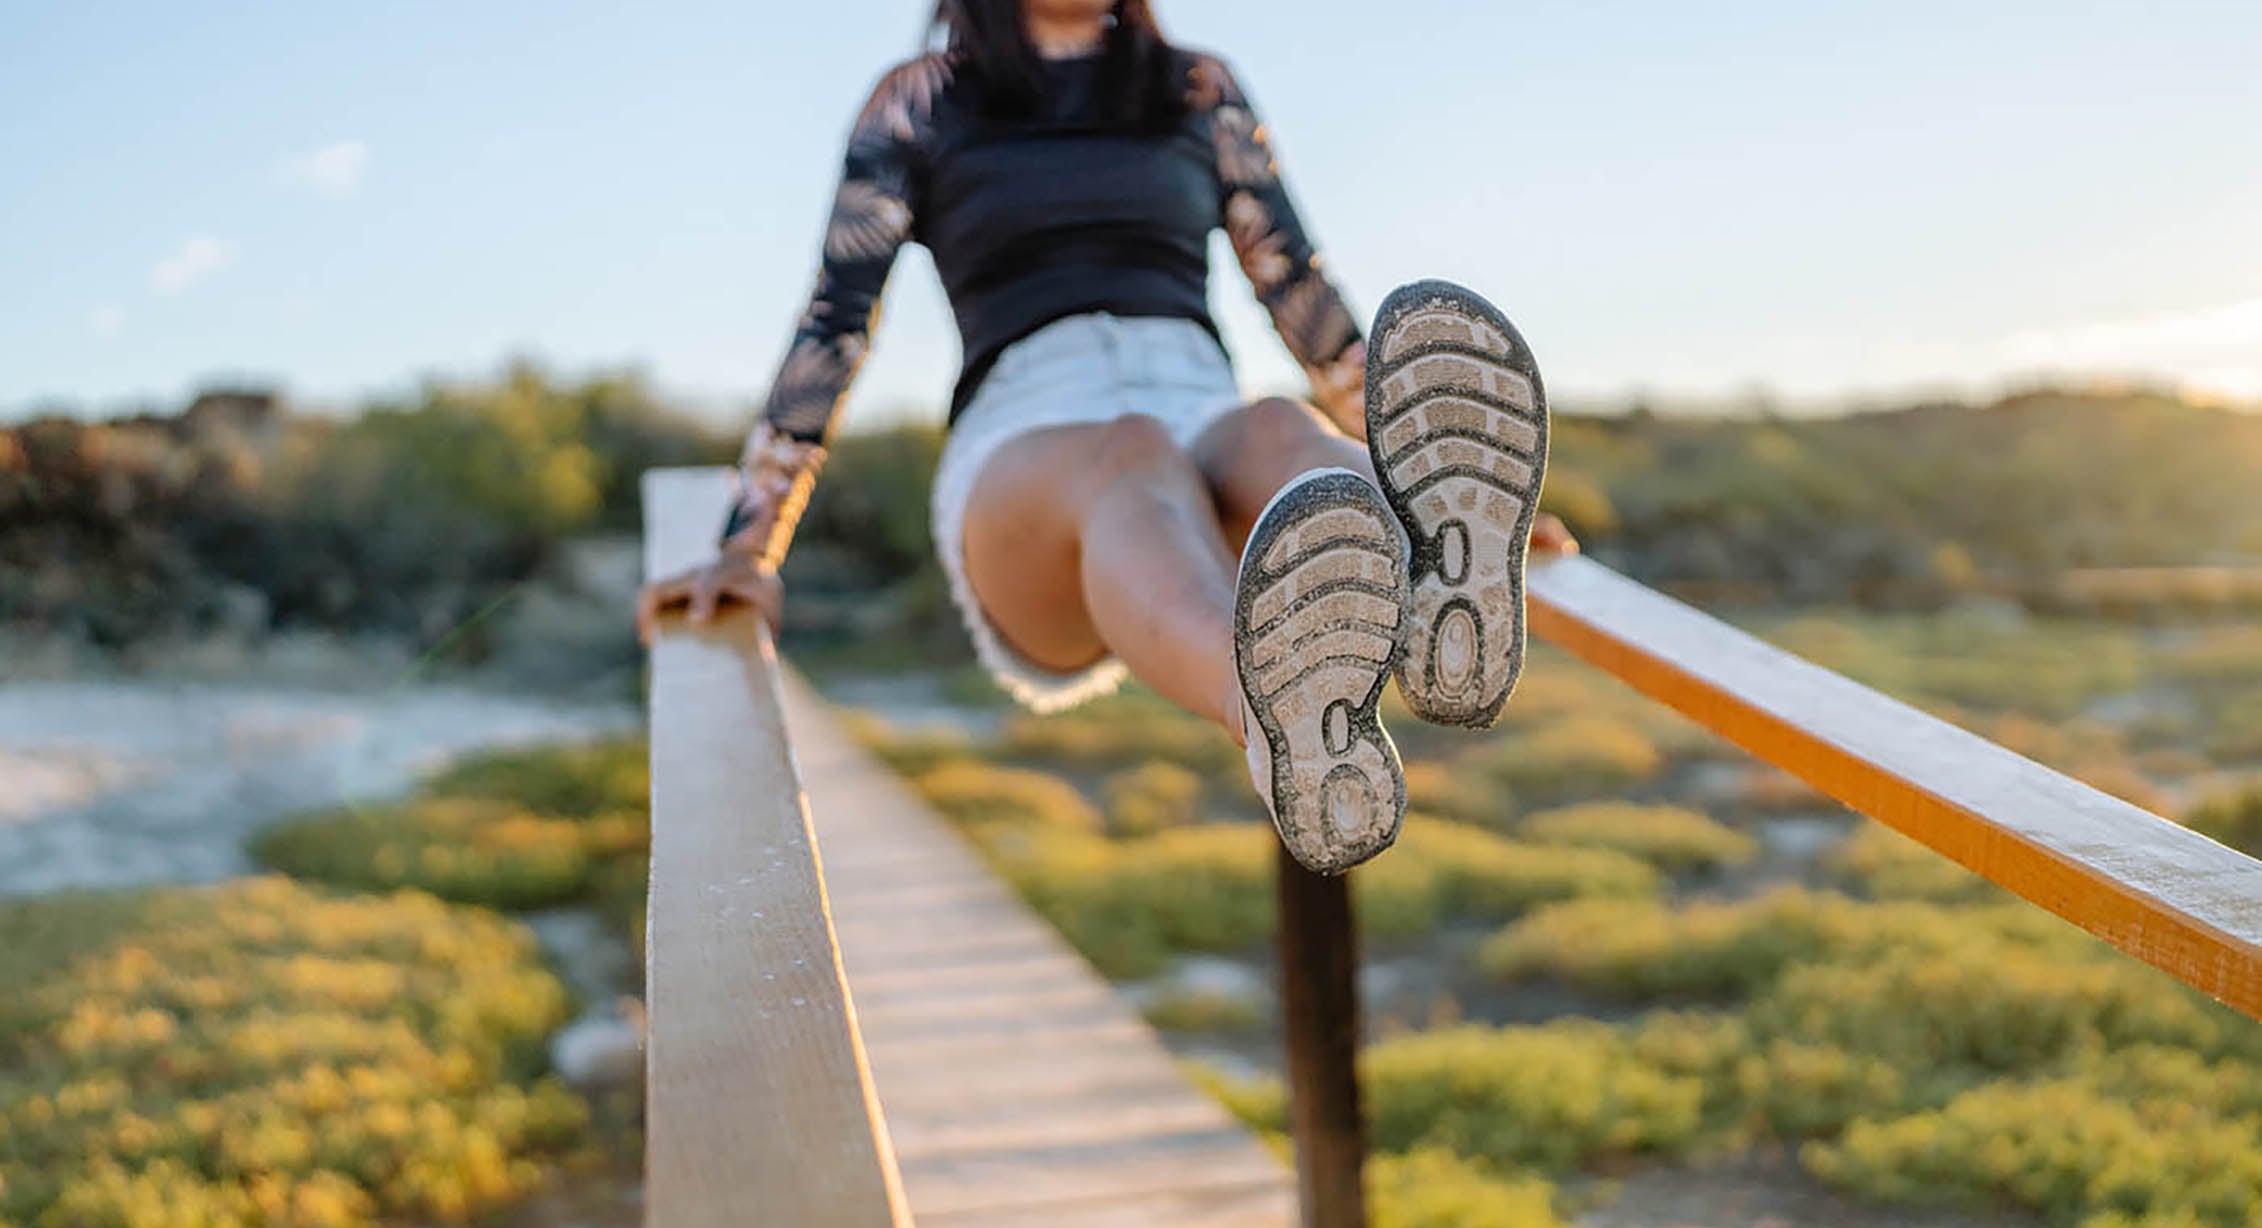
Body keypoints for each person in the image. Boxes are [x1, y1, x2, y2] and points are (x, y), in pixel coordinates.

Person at [639, 0, 1574, 874]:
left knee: (1281, 430)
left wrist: (1391, 435)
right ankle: (1278, 720)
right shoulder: (921, 103)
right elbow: (836, 320)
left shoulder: (1195, 89)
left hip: (1201, 404)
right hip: (1030, 446)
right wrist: (751, 540)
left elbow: (1297, 291)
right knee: (1130, 451)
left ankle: (1438, 539)